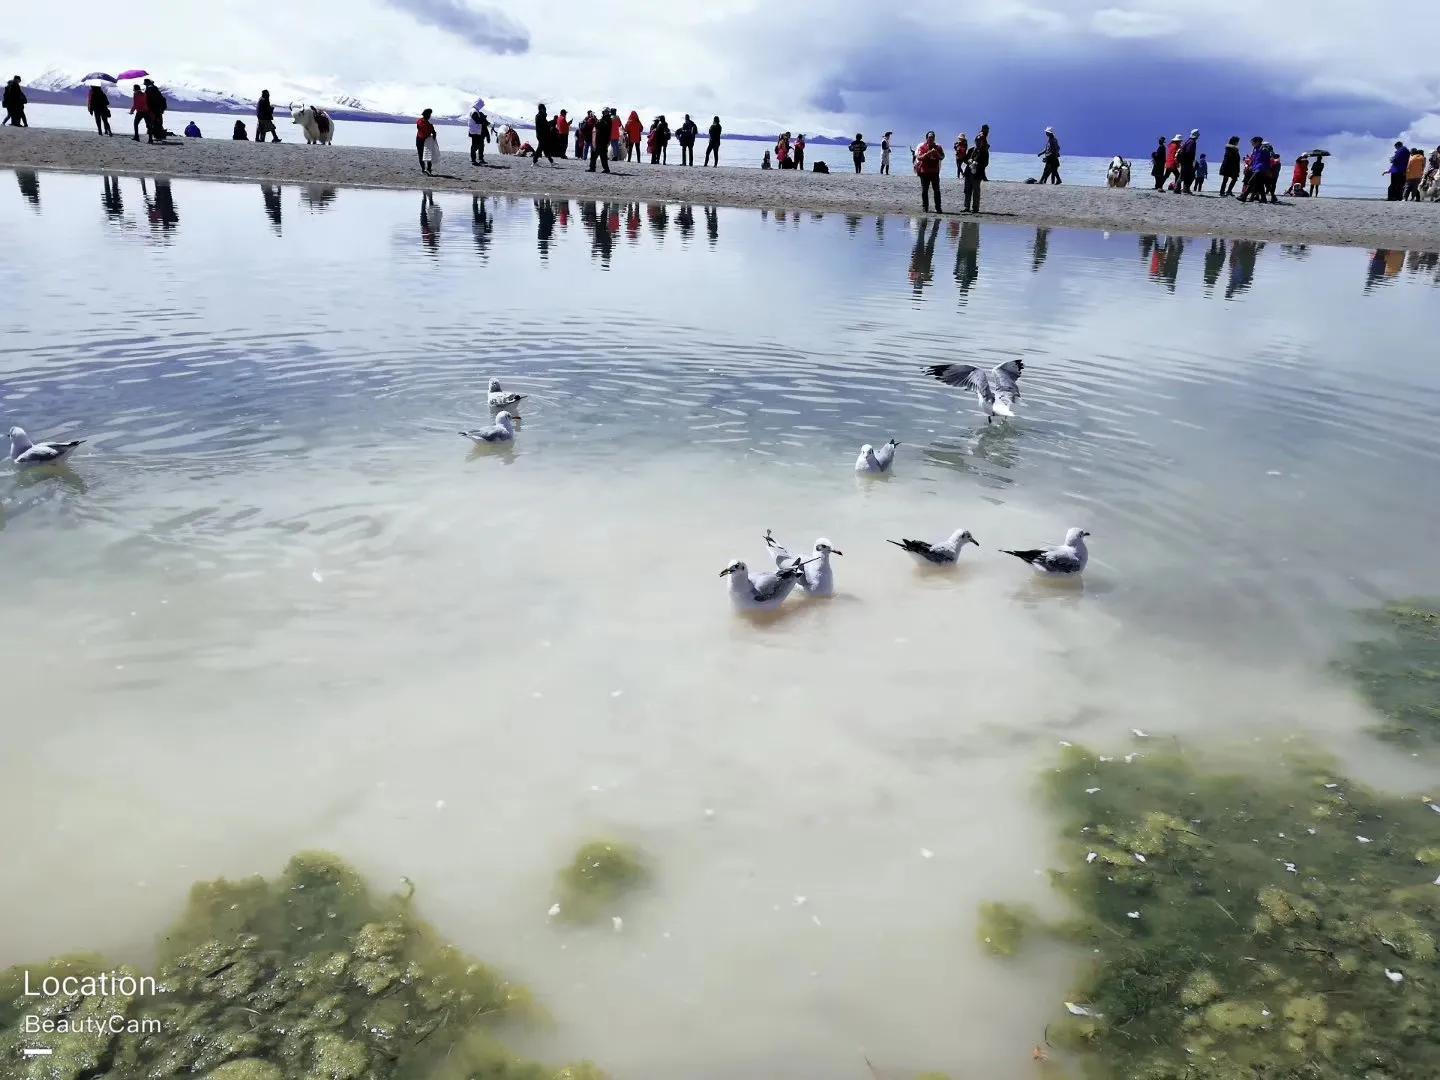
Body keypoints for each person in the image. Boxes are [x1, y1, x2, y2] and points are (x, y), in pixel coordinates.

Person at [915, 130, 944, 212]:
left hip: (935, 172)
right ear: (926, 138)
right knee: (924, 190)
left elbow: (942, 157)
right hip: (925, 172)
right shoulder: (922, 147)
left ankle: (938, 208)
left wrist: (936, 154)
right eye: (929, 138)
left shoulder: (938, 147)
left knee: (937, 191)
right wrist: (928, 153)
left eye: (932, 138)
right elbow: (919, 157)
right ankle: (925, 207)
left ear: (934, 138)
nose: (930, 139)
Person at [1238, 137, 1269, 203]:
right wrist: (1251, 166)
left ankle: (1244, 196)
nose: (1252, 144)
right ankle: (1263, 199)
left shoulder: (1264, 149)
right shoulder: (1255, 149)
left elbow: (1267, 160)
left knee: (1251, 182)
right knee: (1260, 184)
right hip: (1256, 167)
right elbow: (1254, 159)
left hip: (1261, 168)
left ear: (1257, 142)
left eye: (1253, 142)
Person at [589, 107, 612, 173]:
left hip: (602, 140)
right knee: (601, 155)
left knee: (598, 154)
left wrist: (597, 122)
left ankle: (593, 168)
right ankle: (596, 168)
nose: (603, 113)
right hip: (601, 140)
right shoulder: (606, 119)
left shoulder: (607, 119)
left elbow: (601, 126)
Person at [416, 108, 438, 175]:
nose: (430, 116)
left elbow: (419, 129)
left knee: (421, 155)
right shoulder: (429, 125)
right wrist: (433, 140)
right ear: (428, 115)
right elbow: (434, 133)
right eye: (429, 115)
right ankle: (428, 169)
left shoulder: (419, 121)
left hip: (419, 140)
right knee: (428, 155)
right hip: (427, 141)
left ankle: (423, 169)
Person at [962, 146, 982, 213]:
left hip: (977, 174)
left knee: (976, 192)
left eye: (980, 141)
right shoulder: (971, 150)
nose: (978, 143)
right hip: (968, 173)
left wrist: (977, 164)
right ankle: (966, 207)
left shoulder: (984, 151)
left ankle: (975, 208)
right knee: (967, 190)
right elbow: (965, 159)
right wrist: (968, 161)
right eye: (977, 141)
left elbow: (985, 162)